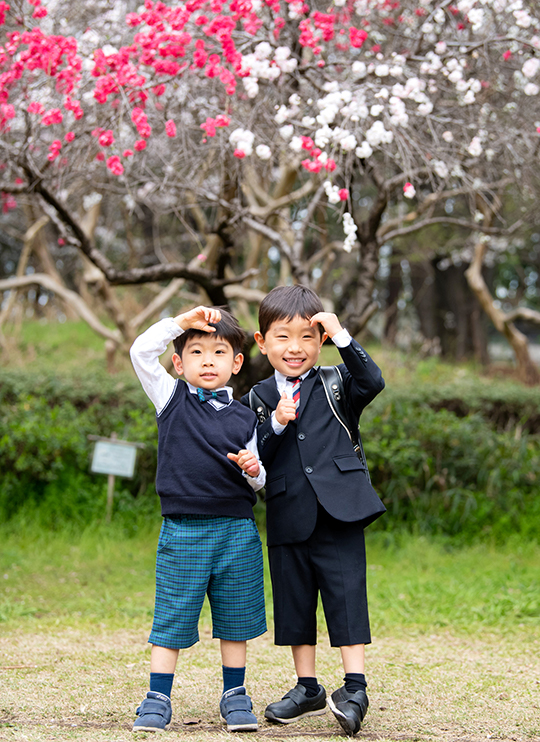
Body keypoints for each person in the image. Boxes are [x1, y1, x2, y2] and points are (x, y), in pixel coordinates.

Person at [242, 285, 385, 737]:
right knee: (294, 601)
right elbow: (255, 456)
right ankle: (308, 688)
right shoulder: (257, 398)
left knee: (346, 595)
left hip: (340, 509)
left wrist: (342, 334)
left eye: (307, 337)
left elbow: (373, 382)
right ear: (263, 343)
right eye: (282, 338)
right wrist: (278, 424)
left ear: (319, 340)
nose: (295, 348)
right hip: (287, 510)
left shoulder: (338, 382)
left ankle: (355, 688)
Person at [130, 305, 267, 733]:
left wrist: (254, 470)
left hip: (236, 531)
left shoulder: (248, 417)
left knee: (237, 617)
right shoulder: (170, 398)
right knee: (172, 616)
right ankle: (157, 697)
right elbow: (139, 351)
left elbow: (260, 481)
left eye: (219, 352)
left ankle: (235, 695)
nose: (208, 361)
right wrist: (180, 323)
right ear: (179, 362)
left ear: (236, 362)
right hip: (183, 530)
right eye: (197, 351)